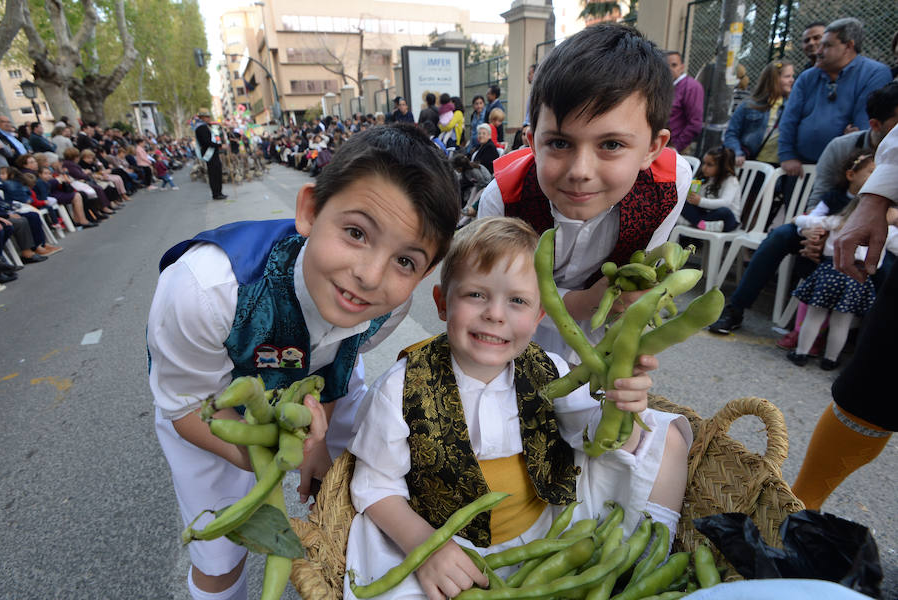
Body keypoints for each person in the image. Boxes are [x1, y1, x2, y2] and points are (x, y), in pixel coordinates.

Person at [147, 124, 460, 600]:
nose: (369, 276)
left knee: (350, 489)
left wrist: (314, 445)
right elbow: (186, 405)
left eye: (405, 262)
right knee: (220, 550)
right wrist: (271, 465)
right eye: (356, 233)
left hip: (307, 391)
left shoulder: (390, 304)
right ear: (310, 210)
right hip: (208, 403)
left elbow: (339, 360)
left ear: (426, 270)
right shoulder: (204, 289)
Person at [343, 217, 689, 600]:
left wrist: (621, 407)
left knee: (667, 435)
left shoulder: (550, 369)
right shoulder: (400, 386)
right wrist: (427, 549)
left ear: (540, 315)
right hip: (443, 539)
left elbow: (595, 437)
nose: (495, 314)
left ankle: (648, 561)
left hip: (547, 527)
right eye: (476, 295)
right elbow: (376, 485)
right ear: (442, 303)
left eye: (518, 301)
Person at [477, 23, 690, 363]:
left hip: (602, 339)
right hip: (510, 335)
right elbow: (488, 290)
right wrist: (579, 302)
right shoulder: (503, 198)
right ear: (532, 143)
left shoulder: (668, 185)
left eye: (611, 144)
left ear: (652, 147)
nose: (580, 171)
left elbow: (638, 276)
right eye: (559, 143)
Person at [708, 82, 898, 334]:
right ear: (876, 124)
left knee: (886, 268)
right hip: (828, 227)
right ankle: (735, 309)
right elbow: (818, 200)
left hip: (884, 240)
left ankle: (871, 341)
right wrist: (820, 234)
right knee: (779, 236)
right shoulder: (841, 147)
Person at [790, 123, 898, 512]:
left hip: (855, 279)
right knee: (876, 381)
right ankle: (799, 506)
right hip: (843, 272)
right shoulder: (841, 199)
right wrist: (875, 199)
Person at [785, 151, 897, 369]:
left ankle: (801, 353)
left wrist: (802, 220)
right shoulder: (885, 231)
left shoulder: (836, 220)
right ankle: (830, 360)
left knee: (814, 315)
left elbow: (801, 219)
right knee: (841, 322)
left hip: (830, 271)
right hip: (856, 278)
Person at [778, 18, 892, 177]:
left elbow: (863, 129)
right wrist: (787, 155)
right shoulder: (806, 78)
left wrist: (853, 141)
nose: (818, 51)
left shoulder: (874, 74)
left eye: (827, 45)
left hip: (845, 172)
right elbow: (789, 119)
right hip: (801, 170)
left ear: (848, 46)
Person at [723, 60, 795, 167]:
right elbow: (731, 133)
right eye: (787, 76)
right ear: (774, 79)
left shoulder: (793, 106)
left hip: (779, 165)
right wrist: (737, 153)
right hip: (750, 163)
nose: (792, 80)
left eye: (792, 76)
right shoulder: (748, 105)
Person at [679, 146, 741, 232]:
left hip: (727, 219)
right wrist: (691, 197)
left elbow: (725, 203)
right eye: (704, 163)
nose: (704, 167)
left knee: (724, 211)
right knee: (682, 203)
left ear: (721, 166)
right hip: (707, 216)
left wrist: (700, 201)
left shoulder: (731, 180)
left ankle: (697, 223)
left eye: (709, 165)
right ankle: (702, 225)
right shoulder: (705, 177)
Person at [666, 51, 704, 153]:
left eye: (674, 65)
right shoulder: (666, 86)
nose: (670, 69)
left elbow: (695, 123)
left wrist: (677, 147)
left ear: (682, 67)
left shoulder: (691, 87)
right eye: (666, 65)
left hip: (679, 148)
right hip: (663, 145)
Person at [194, 108, 226, 200]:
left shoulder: (204, 126)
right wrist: (220, 145)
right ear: (202, 118)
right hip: (210, 153)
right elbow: (207, 142)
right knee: (214, 173)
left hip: (212, 152)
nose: (209, 118)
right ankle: (216, 193)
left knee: (217, 172)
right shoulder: (201, 128)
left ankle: (218, 192)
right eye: (207, 117)